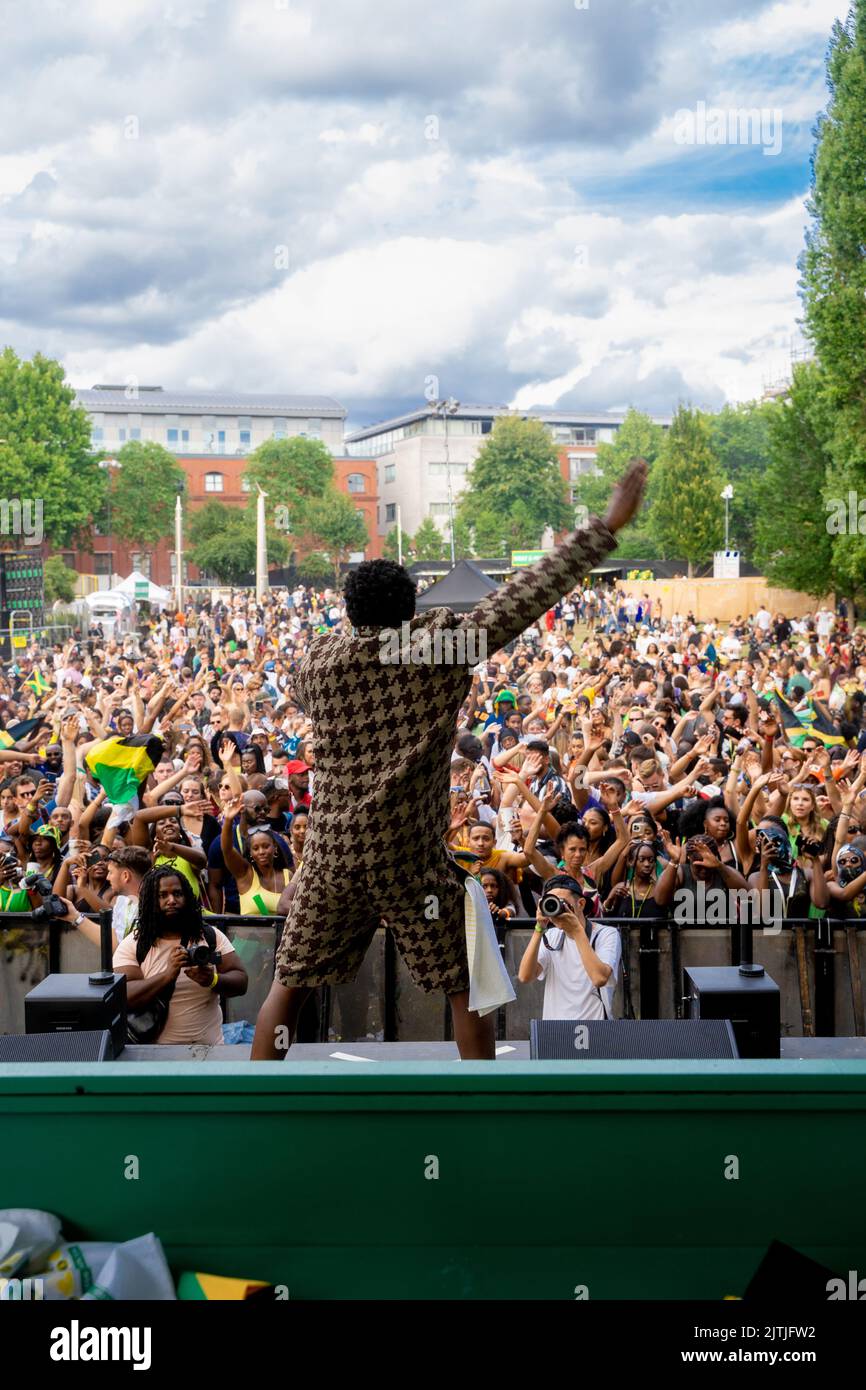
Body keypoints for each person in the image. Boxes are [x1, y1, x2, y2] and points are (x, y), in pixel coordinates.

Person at [251, 458, 648, 1061]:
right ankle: (480, 1103)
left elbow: (318, 668)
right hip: (409, 859)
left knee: (290, 985)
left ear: (350, 612)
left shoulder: (319, 666)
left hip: (331, 854)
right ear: (410, 610)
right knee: (468, 984)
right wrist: (607, 526)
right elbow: (522, 598)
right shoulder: (435, 649)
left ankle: (257, 1101)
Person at [110, 867, 248, 1045]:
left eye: (177, 893)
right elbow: (123, 996)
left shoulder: (210, 936)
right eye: (163, 895)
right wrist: (167, 976)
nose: (172, 900)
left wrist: (212, 980)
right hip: (154, 1056)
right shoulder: (134, 945)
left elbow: (241, 981)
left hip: (209, 1052)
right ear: (151, 900)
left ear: (188, 897)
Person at [517, 873, 621, 1019]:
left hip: (595, 1031)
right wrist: (539, 928)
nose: (558, 909)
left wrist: (577, 930)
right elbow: (525, 976)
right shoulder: (552, 937)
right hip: (557, 1032)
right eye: (552, 903)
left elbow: (599, 978)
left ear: (581, 904)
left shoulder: (605, 934)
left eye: (563, 903)